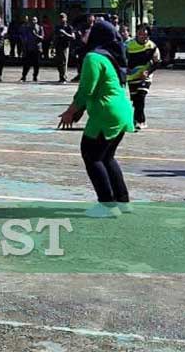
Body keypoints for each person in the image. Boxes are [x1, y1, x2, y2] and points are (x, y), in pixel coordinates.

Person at [58, 20, 135, 219]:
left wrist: (70, 111)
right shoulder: (110, 56)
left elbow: (86, 90)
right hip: (122, 111)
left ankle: (107, 204)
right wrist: (79, 110)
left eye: (89, 30)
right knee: (106, 157)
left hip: (106, 113)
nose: (85, 32)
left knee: (91, 155)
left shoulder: (93, 57)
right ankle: (122, 201)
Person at [126, 24, 160, 130]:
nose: (143, 36)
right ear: (136, 33)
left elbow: (157, 62)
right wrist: (125, 68)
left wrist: (148, 71)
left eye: (145, 34)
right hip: (132, 76)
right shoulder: (128, 45)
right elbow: (121, 58)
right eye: (140, 34)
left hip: (145, 77)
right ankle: (137, 119)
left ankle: (140, 121)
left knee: (141, 96)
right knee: (136, 100)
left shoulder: (152, 46)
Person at [53, 13, 77, 83]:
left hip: (65, 46)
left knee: (64, 62)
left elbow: (73, 37)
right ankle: (61, 76)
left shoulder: (69, 27)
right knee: (58, 62)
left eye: (63, 17)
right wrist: (53, 47)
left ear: (66, 18)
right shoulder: (57, 27)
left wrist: (65, 33)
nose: (61, 19)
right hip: (58, 46)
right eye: (60, 18)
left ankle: (64, 78)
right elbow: (54, 37)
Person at [19, 16, 43, 82]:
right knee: (26, 64)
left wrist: (36, 35)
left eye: (35, 20)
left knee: (36, 64)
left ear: (37, 21)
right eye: (32, 20)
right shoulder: (28, 28)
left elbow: (42, 37)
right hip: (29, 48)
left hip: (37, 48)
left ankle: (35, 77)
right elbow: (24, 37)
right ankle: (24, 76)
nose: (33, 21)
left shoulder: (40, 28)